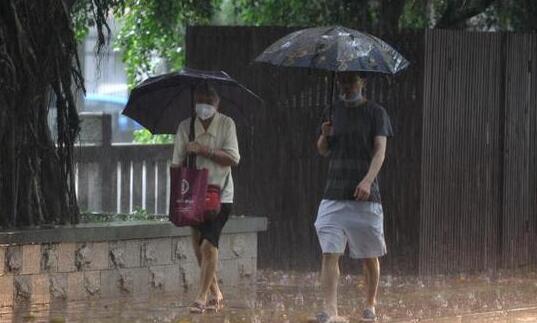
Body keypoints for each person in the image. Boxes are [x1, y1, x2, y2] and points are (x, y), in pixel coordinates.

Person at [312, 72, 393, 322]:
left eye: (352, 81)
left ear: (362, 83)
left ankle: (370, 303)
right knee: (329, 252)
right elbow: (323, 150)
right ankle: (330, 310)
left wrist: (368, 180)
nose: (346, 86)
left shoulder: (376, 112)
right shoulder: (332, 110)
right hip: (334, 194)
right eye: (342, 82)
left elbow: (380, 151)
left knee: (370, 256)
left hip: (364, 196)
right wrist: (325, 134)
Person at [171, 82, 240, 313]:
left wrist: (203, 150)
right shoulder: (185, 127)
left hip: (221, 194)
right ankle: (216, 291)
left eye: (209, 101)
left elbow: (233, 158)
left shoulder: (227, 124)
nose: (204, 105)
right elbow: (176, 162)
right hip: (193, 195)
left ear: (217, 102)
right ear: (194, 102)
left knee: (210, 244)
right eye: (200, 100)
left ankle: (200, 297)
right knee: (199, 245)